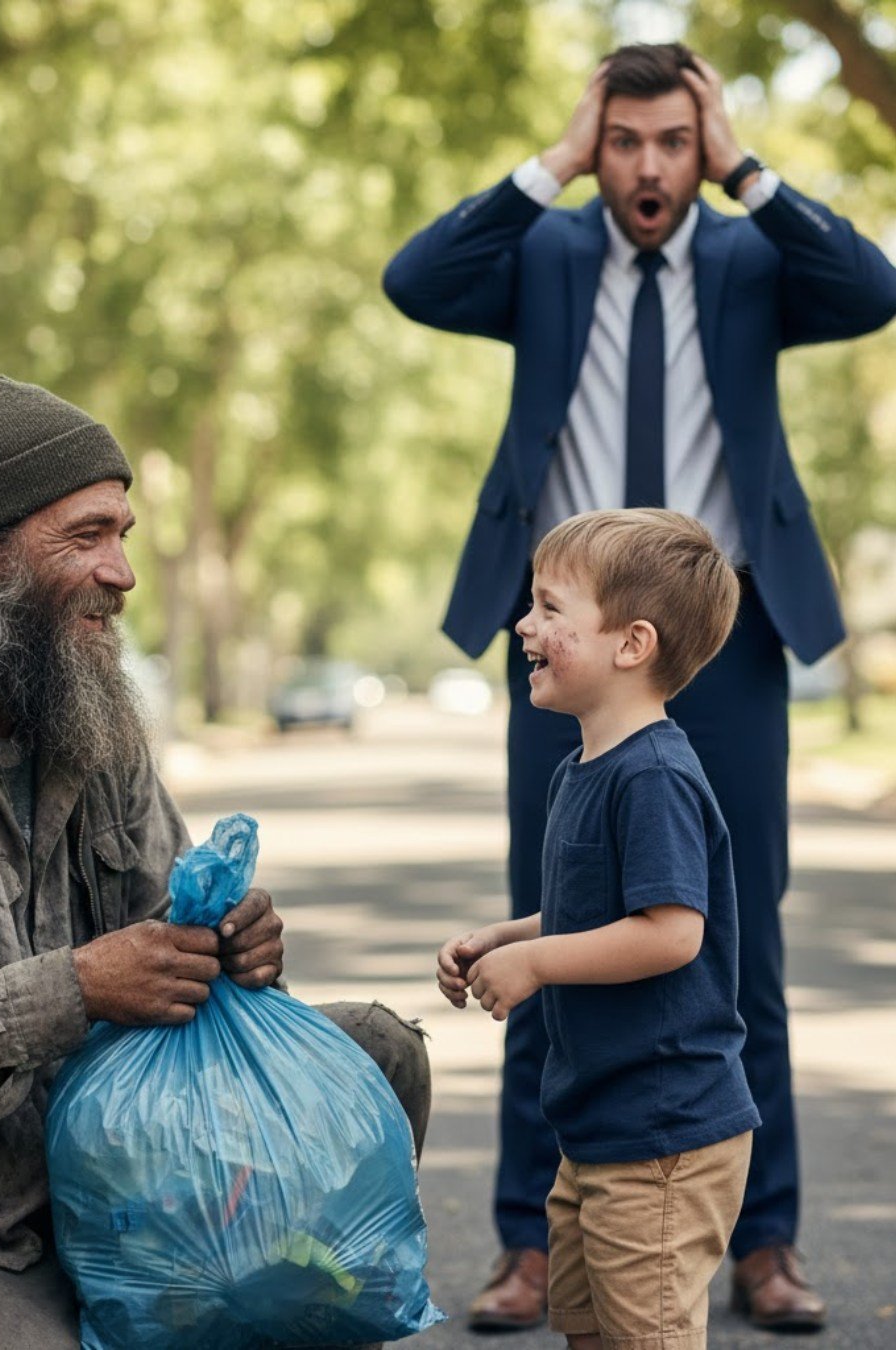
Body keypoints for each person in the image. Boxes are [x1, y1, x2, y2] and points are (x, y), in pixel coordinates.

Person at [384, 40, 896, 1331]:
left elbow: (873, 287)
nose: (648, 166)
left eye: (673, 141)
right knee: (555, 915)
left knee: (743, 932)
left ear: (698, 145)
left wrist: (746, 168)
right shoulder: (549, 253)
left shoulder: (750, 255)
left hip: (726, 636)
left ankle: (764, 1238)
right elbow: (415, 278)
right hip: (568, 645)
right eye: (625, 142)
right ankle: (532, 1238)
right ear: (599, 146)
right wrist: (552, 162)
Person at [0, 374, 430, 1349]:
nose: (124, 572)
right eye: (88, 536)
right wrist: (74, 991)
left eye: (125, 535)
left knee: (376, 1057)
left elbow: (161, 939)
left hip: (111, 1162)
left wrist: (225, 947)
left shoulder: (83, 707)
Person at [437, 508, 760, 1349]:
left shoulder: (653, 776)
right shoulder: (582, 769)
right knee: (591, 1329)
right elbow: (601, 912)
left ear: (632, 644)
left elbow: (670, 932)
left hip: (662, 1136)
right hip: (597, 1127)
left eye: (549, 608)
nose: (523, 625)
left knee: (645, 1335)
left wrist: (540, 963)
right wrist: (510, 939)